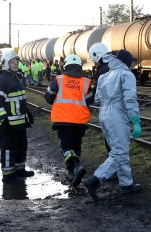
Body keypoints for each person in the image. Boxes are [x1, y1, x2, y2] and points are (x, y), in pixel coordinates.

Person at [83, 49, 142, 201]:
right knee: (120, 151)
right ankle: (95, 180)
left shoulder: (104, 76)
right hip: (116, 115)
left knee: (117, 150)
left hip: (104, 114)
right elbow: (130, 99)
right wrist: (135, 120)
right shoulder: (126, 75)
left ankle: (126, 184)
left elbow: (97, 99)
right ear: (128, 63)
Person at [44, 54, 94, 187]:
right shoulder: (86, 82)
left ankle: (74, 167)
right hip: (80, 121)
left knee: (66, 146)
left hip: (63, 120)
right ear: (80, 67)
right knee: (76, 145)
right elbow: (90, 100)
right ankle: (73, 170)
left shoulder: (59, 80)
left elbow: (48, 97)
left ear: (65, 66)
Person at [0, 50, 34, 183]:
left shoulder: (15, 77)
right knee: (9, 149)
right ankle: (8, 176)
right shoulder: (2, 80)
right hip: (8, 123)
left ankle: (19, 170)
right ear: (6, 64)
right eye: (12, 62)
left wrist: (26, 111)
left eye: (16, 62)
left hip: (19, 122)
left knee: (21, 146)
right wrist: (3, 119)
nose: (16, 64)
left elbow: (19, 98)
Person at [87, 42, 117, 179]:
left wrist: (87, 97)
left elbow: (98, 94)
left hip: (109, 110)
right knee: (116, 142)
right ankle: (116, 170)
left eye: (94, 60)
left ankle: (109, 172)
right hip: (118, 110)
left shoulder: (103, 71)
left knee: (111, 142)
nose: (94, 63)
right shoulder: (115, 65)